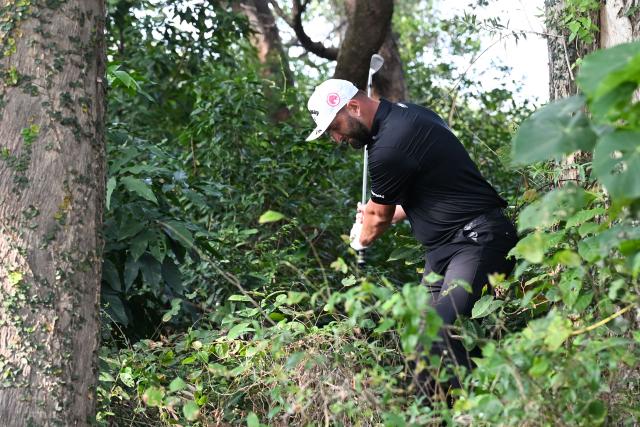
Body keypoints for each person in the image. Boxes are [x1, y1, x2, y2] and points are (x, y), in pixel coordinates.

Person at [305, 78, 519, 394]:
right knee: (420, 340)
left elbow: (378, 219)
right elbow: (414, 198)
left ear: (353, 106)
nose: (336, 138)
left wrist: (361, 234)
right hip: (446, 248)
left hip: (478, 239)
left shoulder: (389, 145)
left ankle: (492, 407)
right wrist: (377, 214)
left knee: (436, 333)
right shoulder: (406, 115)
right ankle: (428, 416)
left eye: (335, 127)